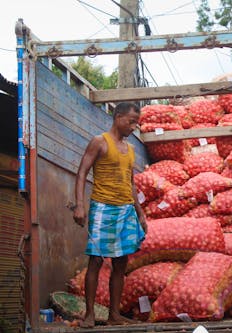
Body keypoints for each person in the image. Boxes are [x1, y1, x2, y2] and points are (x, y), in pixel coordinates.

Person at [73, 102, 147, 328]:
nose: (134, 126)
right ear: (117, 117)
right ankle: (89, 315)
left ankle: (114, 314)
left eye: (137, 122)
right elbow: (82, 171)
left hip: (126, 210)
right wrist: (80, 205)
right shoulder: (99, 141)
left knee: (121, 263)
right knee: (95, 260)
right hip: (103, 208)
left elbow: (130, 183)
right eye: (131, 121)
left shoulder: (130, 149)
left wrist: (140, 212)